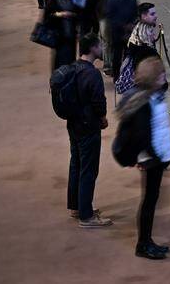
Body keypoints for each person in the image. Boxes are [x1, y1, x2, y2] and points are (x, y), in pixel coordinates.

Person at [114, 57, 170, 260]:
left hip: (152, 157)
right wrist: (157, 157)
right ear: (153, 78)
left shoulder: (150, 96)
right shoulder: (144, 102)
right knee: (149, 201)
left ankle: (147, 241)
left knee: (151, 200)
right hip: (152, 159)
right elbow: (143, 136)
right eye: (161, 74)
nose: (164, 77)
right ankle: (143, 244)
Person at [62, 33, 110, 227]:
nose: (102, 49)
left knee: (76, 164)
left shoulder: (72, 68)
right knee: (89, 169)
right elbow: (98, 102)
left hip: (73, 124)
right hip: (89, 126)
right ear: (92, 49)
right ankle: (86, 216)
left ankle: (77, 207)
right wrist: (103, 118)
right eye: (100, 46)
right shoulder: (92, 73)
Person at [44, 0, 79, 70]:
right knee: (60, 58)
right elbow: (47, 17)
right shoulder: (52, 0)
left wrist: (72, 16)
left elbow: (76, 13)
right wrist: (59, 14)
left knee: (71, 57)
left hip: (70, 33)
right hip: (59, 34)